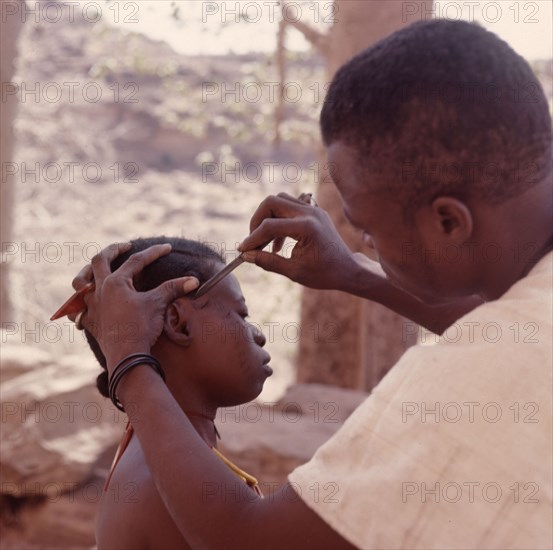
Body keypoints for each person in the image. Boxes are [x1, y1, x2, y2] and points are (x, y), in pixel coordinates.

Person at [71, 20, 552, 549]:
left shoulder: (479, 376)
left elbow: (247, 541)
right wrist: (352, 274)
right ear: (178, 321)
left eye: (366, 229)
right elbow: (514, 332)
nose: (364, 247)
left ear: (447, 223)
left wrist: (129, 365)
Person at [84, 237, 272, 549]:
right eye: (240, 314)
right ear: (178, 323)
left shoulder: (155, 458)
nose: (259, 335)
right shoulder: (170, 489)